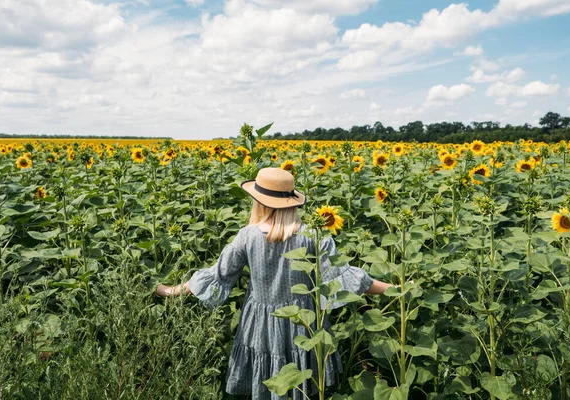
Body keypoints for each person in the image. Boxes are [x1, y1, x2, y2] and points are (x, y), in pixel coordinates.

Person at [155, 167, 395, 399]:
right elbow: (344, 276)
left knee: (268, 379)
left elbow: (218, 274)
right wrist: (394, 290)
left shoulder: (247, 236)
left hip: (259, 323)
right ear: (292, 201)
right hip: (302, 323)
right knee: (301, 379)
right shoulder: (313, 235)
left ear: (259, 201)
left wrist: (172, 290)